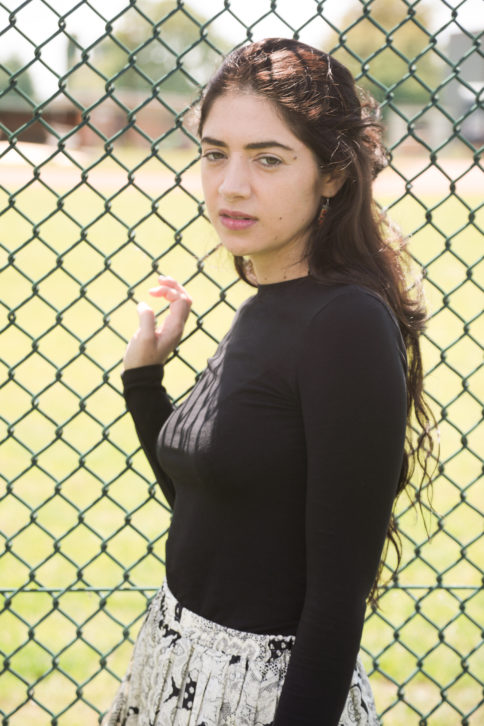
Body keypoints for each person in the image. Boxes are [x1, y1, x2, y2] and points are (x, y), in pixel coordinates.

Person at [102, 38, 435, 726]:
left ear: (332, 175)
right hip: (173, 667)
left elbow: (335, 602)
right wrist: (144, 380)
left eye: (268, 158)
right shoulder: (266, 303)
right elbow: (216, 514)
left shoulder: (345, 324)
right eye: (214, 153)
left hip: (265, 697)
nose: (230, 185)